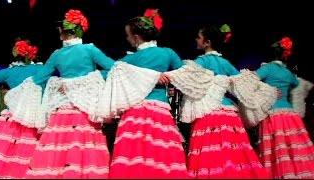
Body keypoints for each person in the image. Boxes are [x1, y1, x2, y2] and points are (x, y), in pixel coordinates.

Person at [23, 9, 115, 178]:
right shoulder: (89, 50)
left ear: (63, 32)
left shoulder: (58, 54)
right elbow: (113, 68)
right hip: (84, 110)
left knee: (60, 147)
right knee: (81, 145)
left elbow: (39, 78)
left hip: (63, 110)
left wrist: (76, 82)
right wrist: (92, 78)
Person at [108, 9, 190, 178]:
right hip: (158, 111)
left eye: (128, 35)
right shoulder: (167, 53)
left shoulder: (127, 61)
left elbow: (107, 74)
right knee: (161, 156)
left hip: (134, 113)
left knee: (134, 158)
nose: (127, 39)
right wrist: (165, 76)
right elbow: (186, 75)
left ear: (136, 37)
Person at [184, 24, 269, 178]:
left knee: (211, 154)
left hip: (209, 112)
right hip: (229, 114)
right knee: (231, 152)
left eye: (199, 36)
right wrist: (265, 89)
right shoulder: (226, 63)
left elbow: (187, 77)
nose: (196, 39)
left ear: (207, 42)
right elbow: (243, 83)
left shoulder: (202, 61)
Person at [256, 36, 314, 178]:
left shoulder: (267, 69)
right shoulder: (288, 73)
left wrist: (265, 89)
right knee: (293, 148)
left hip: (273, 114)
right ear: (284, 54)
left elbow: (250, 79)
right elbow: (295, 83)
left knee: (277, 149)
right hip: (289, 114)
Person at [0, 39, 43, 178]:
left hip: (12, 117)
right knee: (28, 150)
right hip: (33, 116)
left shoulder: (9, 72)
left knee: (8, 152)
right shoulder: (40, 69)